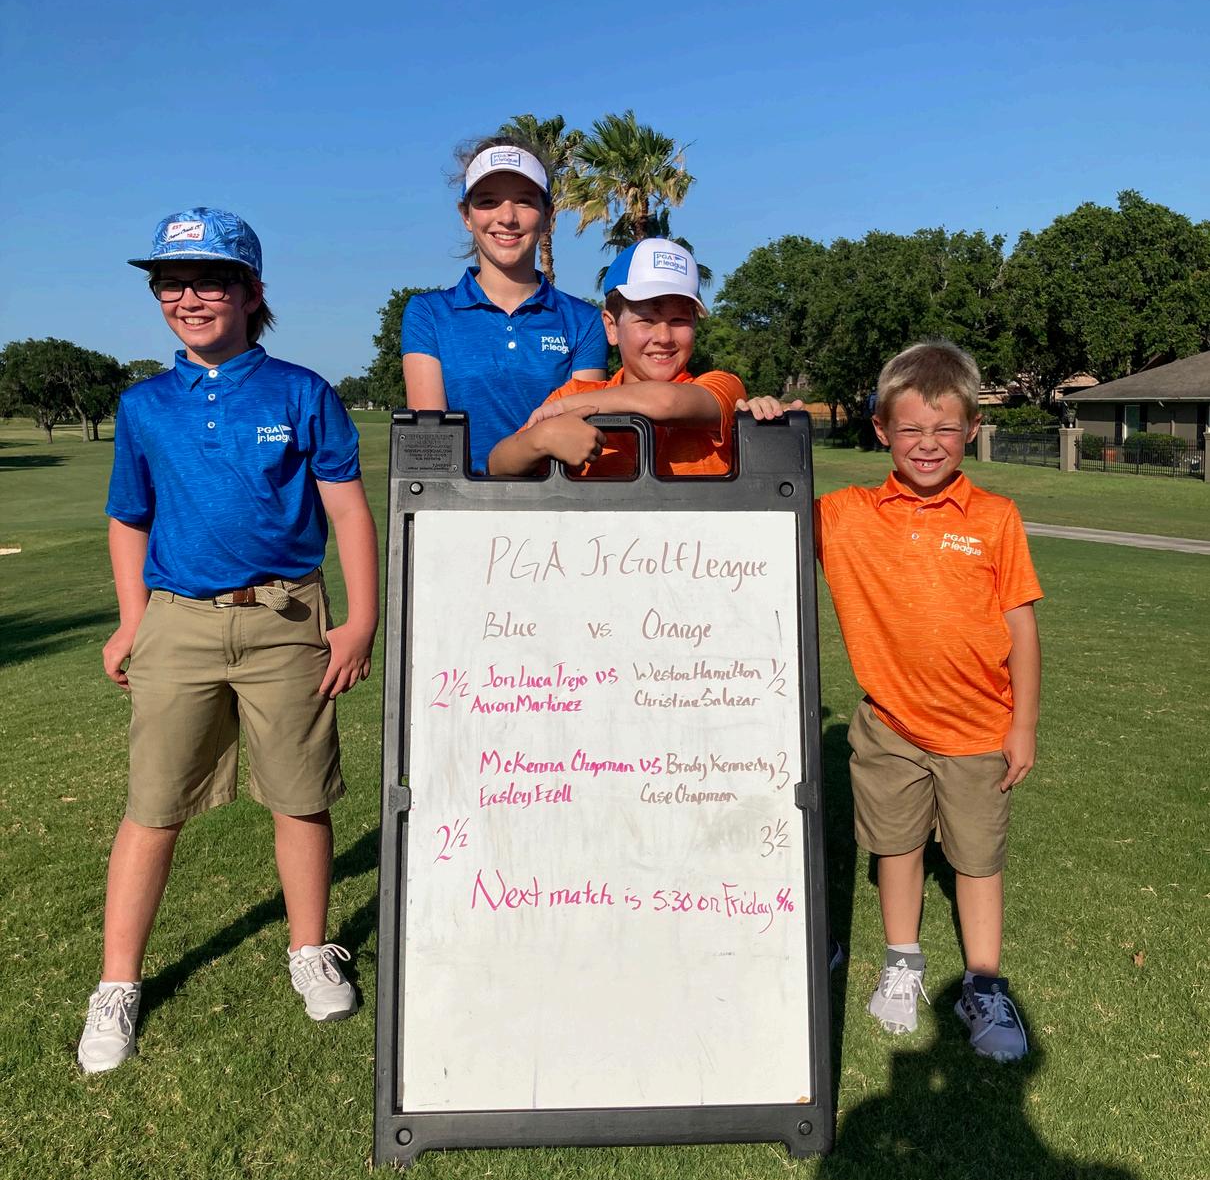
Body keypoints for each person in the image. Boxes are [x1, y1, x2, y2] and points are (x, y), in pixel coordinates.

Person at [77, 207, 379, 1074]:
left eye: (210, 280)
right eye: (171, 283)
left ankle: (309, 948)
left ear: (251, 292)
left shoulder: (301, 392)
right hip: (178, 621)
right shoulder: (144, 404)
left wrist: (360, 619)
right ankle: (117, 984)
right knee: (153, 804)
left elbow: (347, 510)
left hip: (287, 619)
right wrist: (131, 618)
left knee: (300, 795)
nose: (189, 298)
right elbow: (129, 518)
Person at [814, 340, 1042, 1061]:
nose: (927, 443)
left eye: (945, 429)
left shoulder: (995, 517)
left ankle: (984, 984)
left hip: (979, 730)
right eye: (910, 428)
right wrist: (762, 416)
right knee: (896, 847)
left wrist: (1024, 724)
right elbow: (764, 508)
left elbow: (1021, 627)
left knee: (976, 859)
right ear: (881, 428)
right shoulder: (844, 515)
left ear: (972, 427)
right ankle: (902, 962)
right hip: (889, 727)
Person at [488, 238, 785, 477]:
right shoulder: (574, 393)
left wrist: (567, 408)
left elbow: (665, 401)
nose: (664, 337)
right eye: (646, 320)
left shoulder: (721, 385)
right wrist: (541, 439)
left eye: (680, 320)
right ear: (611, 327)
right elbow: (498, 463)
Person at [401, 139, 607, 472]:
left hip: (556, 500)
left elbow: (577, 436)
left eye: (524, 201)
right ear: (466, 216)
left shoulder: (583, 321)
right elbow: (432, 447)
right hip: (457, 502)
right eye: (489, 201)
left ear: (548, 216)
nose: (507, 217)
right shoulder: (428, 314)